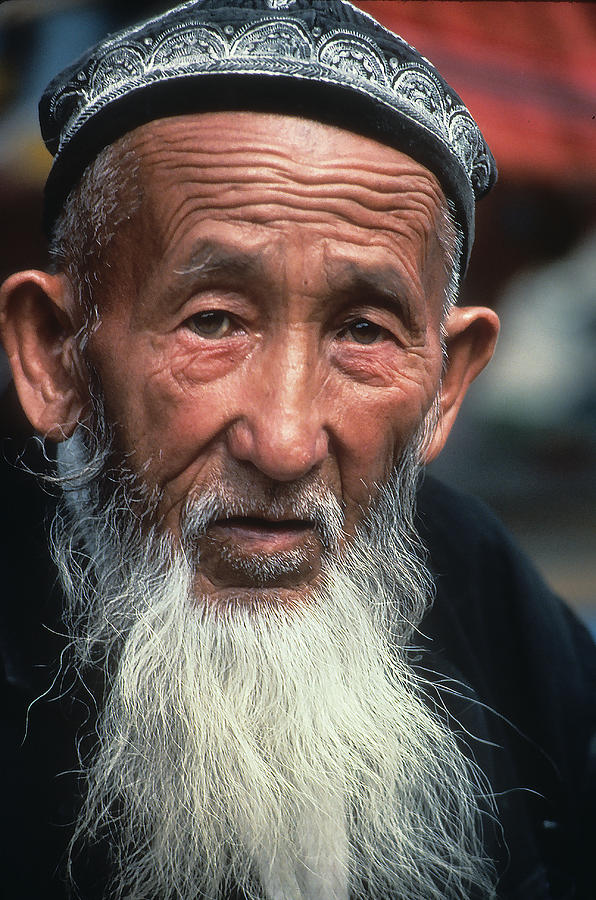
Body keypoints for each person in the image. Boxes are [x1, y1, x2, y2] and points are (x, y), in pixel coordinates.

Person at [0, 1, 594, 898]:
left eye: (363, 331)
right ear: (54, 353)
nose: (282, 442)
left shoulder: (480, 581)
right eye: (213, 323)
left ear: (448, 386)